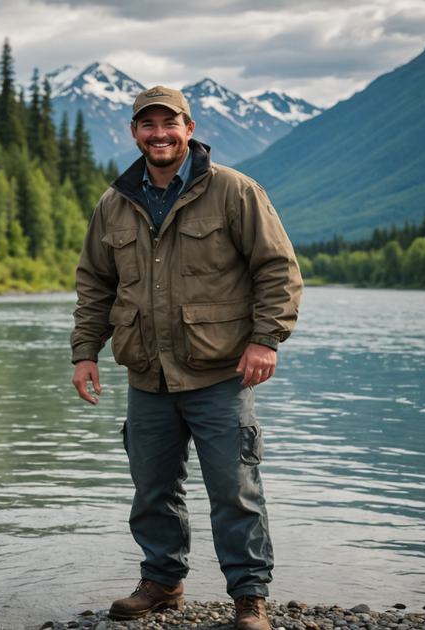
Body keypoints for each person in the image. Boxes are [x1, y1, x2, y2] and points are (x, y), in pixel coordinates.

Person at [69, 86, 303, 630]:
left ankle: (250, 597)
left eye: (168, 124)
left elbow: (278, 270)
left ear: (189, 127)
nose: (159, 134)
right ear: (134, 133)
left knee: (234, 490)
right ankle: (163, 582)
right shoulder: (114, 202)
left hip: (220, 372)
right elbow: (95, 286)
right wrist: (86, 353)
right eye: (147, 125)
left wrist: (266, 339)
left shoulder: (235, 191)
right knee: (152, 489)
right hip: (146, 374)